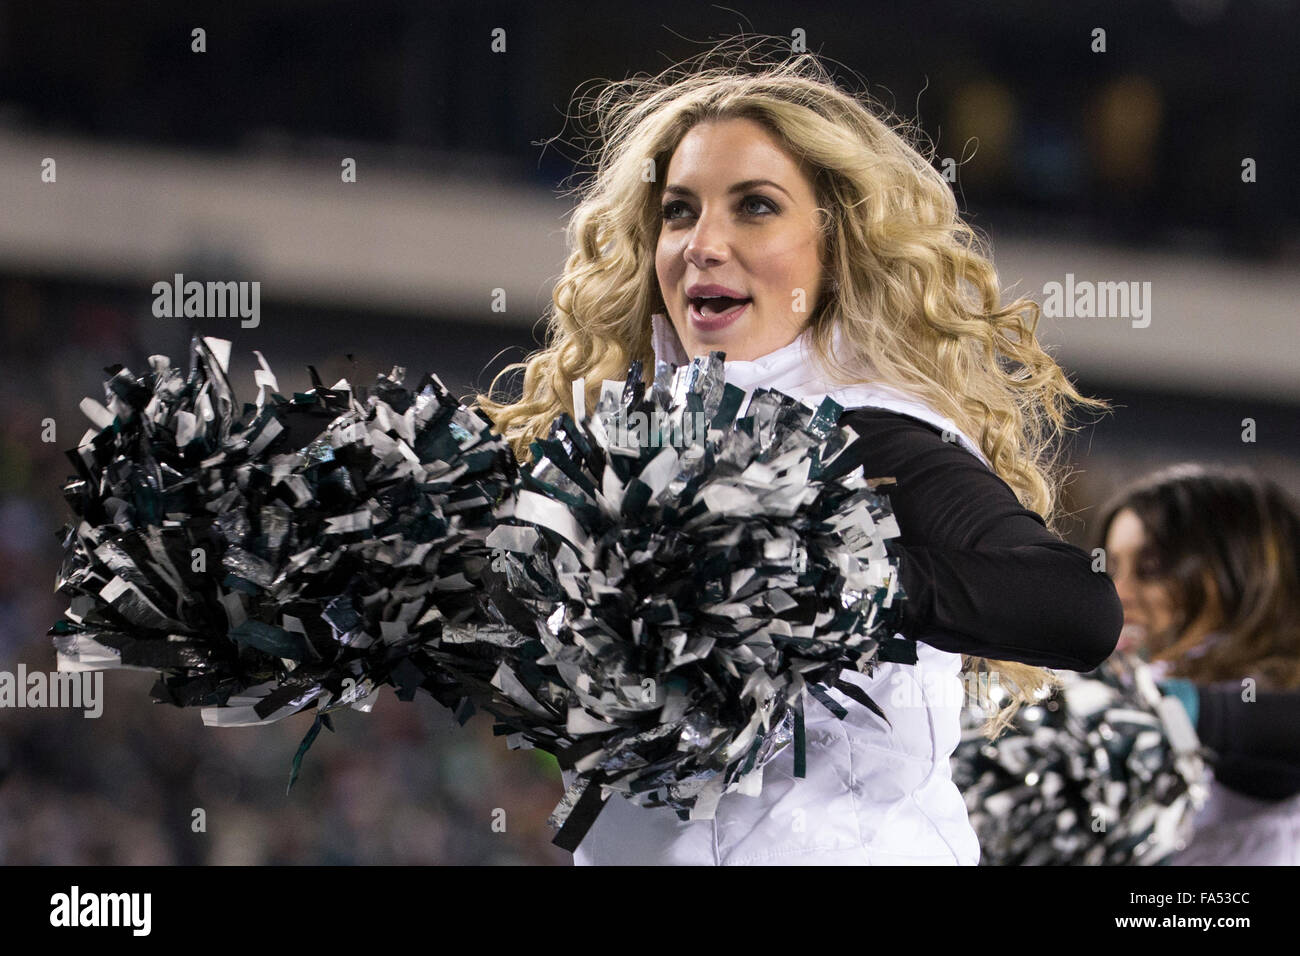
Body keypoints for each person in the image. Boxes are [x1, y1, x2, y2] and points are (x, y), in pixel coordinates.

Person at [472, 38, 1123, 865]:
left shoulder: (869, 434)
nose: (702, 243)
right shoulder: (610, 462)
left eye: (754, 206)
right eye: (679, 210)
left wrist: (819, 568)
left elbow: (1079, 608)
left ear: (835, 241)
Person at [1098, 463, 1300, 864]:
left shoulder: (1271, 699)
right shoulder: (1130, 679)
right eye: (1113, 569)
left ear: (1242, 571)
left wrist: (1165, 709)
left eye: (1151, 569)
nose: (1119, 594)